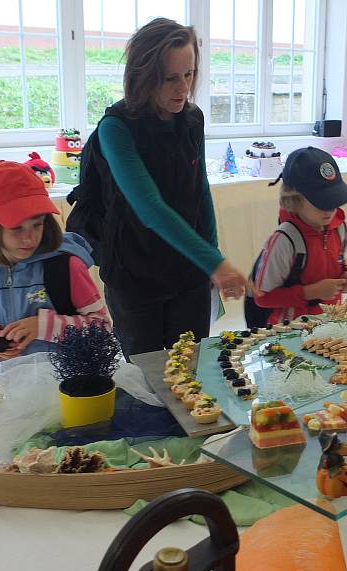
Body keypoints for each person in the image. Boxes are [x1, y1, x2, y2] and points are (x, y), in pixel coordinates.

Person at [74, 18, 246, 356]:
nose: (183, 88)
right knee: (150, 380)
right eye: (170, 78)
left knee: (192, 369)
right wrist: (214, 263)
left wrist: (211, 258)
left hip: (187, 273)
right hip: (135, 277)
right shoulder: (116, 129)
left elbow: (201, 193)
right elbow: (149, 207)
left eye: (189, 74)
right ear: (144, 77)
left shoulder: (192, 120)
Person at [0, 161, 110, 360]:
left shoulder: (67, 267)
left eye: (37, 225)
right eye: (16, 228)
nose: (29, 238)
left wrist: (43, 327)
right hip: (7, 382)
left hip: (69, 383)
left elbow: (102, 327)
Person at [251, 147, 347, 325]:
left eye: (335, 199)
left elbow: (337, 262)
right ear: (295, 199)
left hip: (330, 324)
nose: (330, 210)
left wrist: (346, 274)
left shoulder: (341, 229)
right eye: (321, 202)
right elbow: (262, 298)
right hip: (292, 332)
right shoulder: (285, 240)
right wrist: (311, 292)